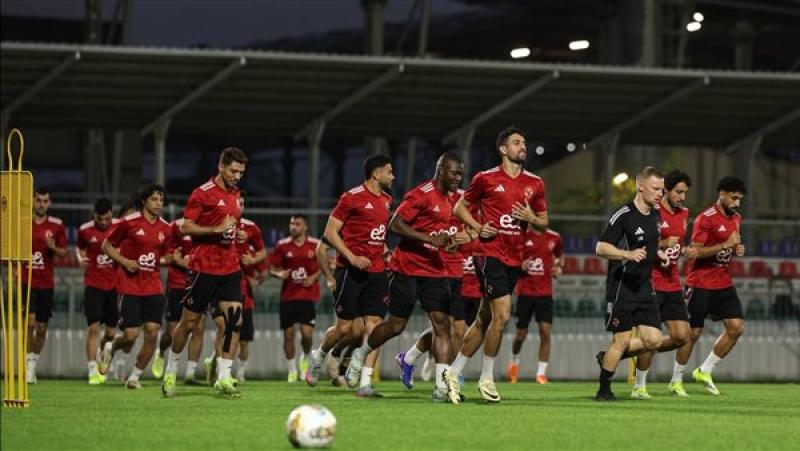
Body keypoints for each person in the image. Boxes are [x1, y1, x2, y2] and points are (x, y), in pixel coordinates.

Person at [346, 152, 465, 403]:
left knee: (442, 326)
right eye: (454, 173)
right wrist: (429, 239)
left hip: (436, 271)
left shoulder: (456, 200)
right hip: (407, 269)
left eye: (461, 173)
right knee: (395, 327)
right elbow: (395, 224)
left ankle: (441, 387)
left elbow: (447, 233)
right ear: (441, 170)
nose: (458, 178)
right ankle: (361, 353)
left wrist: (450, 244)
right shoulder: (421, 194)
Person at [449, 126, 549, 403]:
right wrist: (478, 227)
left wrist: (531, 216)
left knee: (484, 319)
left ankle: (453, 372)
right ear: (503, 149)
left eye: (524, 142)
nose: (523, 146)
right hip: (488, 253)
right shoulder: (486, 179)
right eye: (517, 142)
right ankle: (487, 378)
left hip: (514, 258)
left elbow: (543, 223)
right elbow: (459, 208)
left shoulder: (535, 183)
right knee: (502, 315)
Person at [161, 147, 247, 398]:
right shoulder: (202, 193)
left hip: (229, 266)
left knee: (235, 320)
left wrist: (237, 233)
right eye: (234, 171)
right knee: (188, 323)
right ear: (221, 166)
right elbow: (185, 226)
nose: (237, 176)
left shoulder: (235, 194)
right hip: (203, 267)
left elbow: (231, 225)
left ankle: (224, 377)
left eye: (241, 172)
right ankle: (170, 370)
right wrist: (216, 229)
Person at [306, 154, 394, 399]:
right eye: (389, 171)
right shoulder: (351, 197)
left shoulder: (387, 201)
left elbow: (379, 236)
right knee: (345, 328)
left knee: (374, 327)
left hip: (377, 273)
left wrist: (387, 254)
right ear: (376, 174)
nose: (392, 176)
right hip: (350, 271)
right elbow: (330, 233)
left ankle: (364, 382)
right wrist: (352, 256)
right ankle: (320, 355)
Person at [594, 167, 666, 401]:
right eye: (656, 189)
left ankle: (607, 357)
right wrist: (627, 255)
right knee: (622, 340)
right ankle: (604, 389)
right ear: (640, 186)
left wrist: (659, 255)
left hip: (644, 286)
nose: (660, 194)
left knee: (653, 340)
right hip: (621, 287)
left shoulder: (656, 214)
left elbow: (649, 246)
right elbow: (601, 248)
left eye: (662, 189)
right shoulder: (623, 214)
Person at [677, 176, 747, 396]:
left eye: (740, 199)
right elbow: (694, 253)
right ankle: (676, 379)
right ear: (722, 194)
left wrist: (736, 249)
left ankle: (705, 370)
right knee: (693, 332)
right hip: (701, 281)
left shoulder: (736, 218)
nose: (737, 203)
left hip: (724, 281)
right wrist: (724, 245)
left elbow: (732, 244)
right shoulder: (705, 219)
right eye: (734, 198)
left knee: (736, 327)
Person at [98, 184, 172, 389]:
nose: (159, 203)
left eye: (161, 200)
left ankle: (134, 377)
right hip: (130, 286)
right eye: (155, 199)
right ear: (144, 201)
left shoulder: (165, 228)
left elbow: (165, 254)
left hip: (154, 287)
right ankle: (111, 347)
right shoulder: (128, 223)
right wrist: (125, 261)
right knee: (131, 335)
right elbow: (106, 245)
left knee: (152, 331)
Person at [633, 170, 696, 398]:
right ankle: (639, 386)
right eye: (678, 192)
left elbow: (678, 245)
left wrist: (687, 250)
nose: (682, 197)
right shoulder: (652, 212)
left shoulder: (685, 213)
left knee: (682, 336)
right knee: (653, 336)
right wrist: (661, 242)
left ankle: (635, 348)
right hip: (651, 281)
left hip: (672, 282)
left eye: (685, 193)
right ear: (666, 191)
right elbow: (639, 240)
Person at [150, 218, 205, 384]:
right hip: (177, 283)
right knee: (174, 331)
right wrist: (184, 261)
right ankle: (161, 351)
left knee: (198, 328)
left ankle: (190, 373)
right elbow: (170, 256)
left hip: (199, 284)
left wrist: (185, 261)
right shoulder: (175, 226)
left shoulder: (209, 226)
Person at [507, 226, 563, 385]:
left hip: (545, 294)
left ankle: (541, 374)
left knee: (545, 332)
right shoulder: (522, 236)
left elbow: (560, 257)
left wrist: (559, 268)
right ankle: (513, 363)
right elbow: (511, 260)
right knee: (520, 335)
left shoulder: (555, 237)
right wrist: (520, 266)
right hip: (525, 293)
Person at [23, 187, 68, 384]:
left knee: (41, 327)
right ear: (33, 201)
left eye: (45, 201)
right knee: (29, 323)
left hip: (46, 283)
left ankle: (33, 364)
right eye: (38, 200)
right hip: (27, 281)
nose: (41, 204)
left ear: (49, 203)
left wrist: (53, 247)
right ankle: (27, 365)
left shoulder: (57, 225)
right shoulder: (23, 223)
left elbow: (64, 253)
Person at [269, 214, 321, 383]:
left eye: (297, 224)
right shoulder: (282, 245)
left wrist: (314, 278)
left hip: (307, 295)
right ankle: (292, 370)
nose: (293, 227)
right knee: (288, 334)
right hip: (288, 296)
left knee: (306, 334)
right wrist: (279, 274)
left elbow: (325, 265)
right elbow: (271, 268)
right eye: (291, 223)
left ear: (305, 227)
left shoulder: (315, 244)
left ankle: (305, 357)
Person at [76, 198, 119, 385]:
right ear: (94, 215)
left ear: (112, 214)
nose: (103, 222)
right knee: (93, 329)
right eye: (100, 219)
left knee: (110, 334)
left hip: (115, 286)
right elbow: (79, 248)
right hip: (93, 285)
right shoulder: (85, 230)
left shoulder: (119, 227)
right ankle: (92, 370)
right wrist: (79, 257)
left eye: (106, 219)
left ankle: (103, 354)